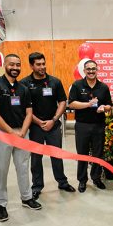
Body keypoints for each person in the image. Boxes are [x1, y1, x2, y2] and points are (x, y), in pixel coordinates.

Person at [0, 54, 42, 222]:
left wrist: (23, 131)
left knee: (23, 166)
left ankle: (27, 197)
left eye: (18, 64)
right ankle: (1, 204)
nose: (15, 67)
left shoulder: (23, 88)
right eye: (12, 64)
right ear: (4, 65)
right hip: (1, 134)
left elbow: (29, 113)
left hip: (21, 133)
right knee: (1, 169)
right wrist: (10, 131)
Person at [20, 52, 76, 200]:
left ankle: (62, 182)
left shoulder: (54, 82)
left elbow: (62, 102)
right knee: (36, 158)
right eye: (38, 64)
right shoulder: (24, 84)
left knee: (57, 155)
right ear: (31, 65)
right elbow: (24, 108)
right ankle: (37, 186)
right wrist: (38, 122)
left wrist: (54, 119)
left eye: (43, 63)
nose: (42, 67)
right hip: (35, 127)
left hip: (54, 125)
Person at [68, 60, 112, 193]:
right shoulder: (77, 85)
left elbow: (109, 105)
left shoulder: (103, 87)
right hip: (82, 125)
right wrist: (88, 104)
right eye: (88, 69)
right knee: (82, 154)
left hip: (98, 125)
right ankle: (82, 180)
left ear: (97, 70)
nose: (91, 71)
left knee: (98, 154)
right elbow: (71, 104)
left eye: (93, 69)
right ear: (84, 70)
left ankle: (96, 178)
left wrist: (104, 107)